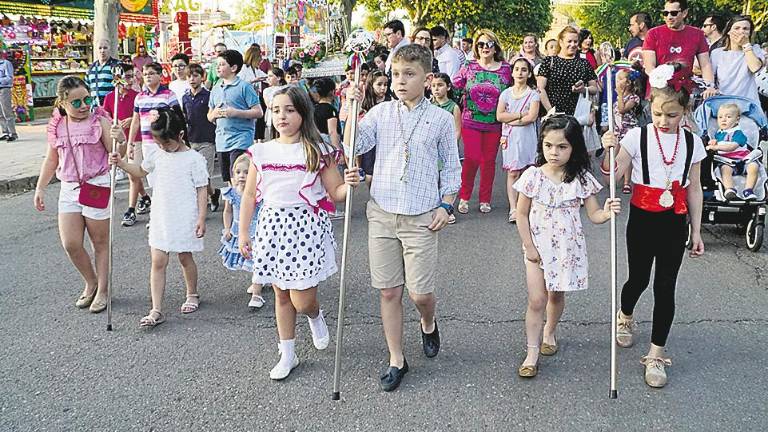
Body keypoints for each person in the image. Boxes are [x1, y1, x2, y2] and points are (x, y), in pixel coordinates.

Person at [344, 43, 461, 392]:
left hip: (422, 217)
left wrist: (446, 205)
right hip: (381, 213)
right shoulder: (380, 113)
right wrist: (351, 107)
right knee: (389, 292)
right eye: (395, 74)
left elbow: (451, 168)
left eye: (409, 74)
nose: (400, 80)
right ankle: (397, 358)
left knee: (419, 293)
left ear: (427, 78)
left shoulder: (440, 119)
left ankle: (428, 321)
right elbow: (354, 146)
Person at [238, 86, 359, 380]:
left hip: (305, 229)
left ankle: (314, 315)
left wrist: (350, 183)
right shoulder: (262, 151)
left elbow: (336, 192)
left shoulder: (317, 151)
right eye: (277, 110)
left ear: (303, 113)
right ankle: (288, 353)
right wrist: (243, 232)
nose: (282, 116)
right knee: (281, 295)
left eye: (290, 110)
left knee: (302, 300)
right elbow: (250, 194)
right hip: (272, 228)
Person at [601, 62, 706, 388]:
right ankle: (626, 314)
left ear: (684, 111)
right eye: (659, 113)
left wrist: (697, 231)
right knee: (638, 279)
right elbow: (613, 174)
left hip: (674, 221)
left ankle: (656, 354)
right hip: (642, 220)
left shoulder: (692, 143)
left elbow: (695, 187)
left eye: (672, 115)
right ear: (651, 108)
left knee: (665, 286)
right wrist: (611, 148)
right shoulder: (636, 137)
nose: (664, 120)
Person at [515, 115, 620, 377]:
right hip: (537, 248)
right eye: (549, 145)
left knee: (555, 296)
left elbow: (594, 215)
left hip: (565, 249)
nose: (554, 152)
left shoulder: (581, 178)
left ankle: (550, 330)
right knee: (536, 299)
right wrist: (528, 246)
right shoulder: (533, 176)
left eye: (562, 147)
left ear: (574, 147)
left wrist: (606, 213)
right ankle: (531, 352)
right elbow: (521, 213)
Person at [34, 76, 126, 314]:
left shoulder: (100, 122)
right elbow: (52, 158)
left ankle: (104, 289)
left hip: (97, 184)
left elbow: (117, 153)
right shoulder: (57, 125)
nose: (84, 105)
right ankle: (91, 281)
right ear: (63, 102)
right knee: (71, 243)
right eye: (77, 102)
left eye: (87, 99)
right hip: (69, 187)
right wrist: (40, 187)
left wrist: (121, 140)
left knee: (100, 242)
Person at [110, 108, 209, 327]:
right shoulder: (156, 154)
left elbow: (202, 189)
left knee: (185, 257)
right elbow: (140, 172)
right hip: (162, 214)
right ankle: (156, 309)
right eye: (159, 143)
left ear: (180, 135)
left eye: (167, 143)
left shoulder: (194, 159)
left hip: (184, 213)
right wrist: (122, 164)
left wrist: (201, 218)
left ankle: (192, 293)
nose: (163, 147)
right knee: (158, 260)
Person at [453, 29, 512, 214]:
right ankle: (464, 196)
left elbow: (515, 90)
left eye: (489, 44)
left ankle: (485, 199)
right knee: (471, 159)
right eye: (480, 44)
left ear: (495, 48)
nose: (485, 47)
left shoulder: (506, 69)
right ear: (476, 48)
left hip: (495, 123)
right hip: (470, 121)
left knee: (488, 161)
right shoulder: (469, 66)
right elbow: (453, 86)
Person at [122, 62, 181, 228]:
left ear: (160, 76)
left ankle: (164, 214)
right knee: (153, 180)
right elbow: (135, 121)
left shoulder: (168, 95)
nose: (147, 76)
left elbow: (178, 119)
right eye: (145, 73)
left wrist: (177, 142)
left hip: (164, 143)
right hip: (147, 143)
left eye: (151, 73)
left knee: (166, 179)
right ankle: (158, 213)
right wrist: (131, 143)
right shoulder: (140, 97)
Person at [207, 49, 263, 187]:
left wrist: (235, 113)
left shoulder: (244, 87)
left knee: (239, 176)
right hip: (221, 140)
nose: (218, 67)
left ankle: (242, 206)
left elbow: (258, 112)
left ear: (233, 68)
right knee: (228, 179)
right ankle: (233, 205)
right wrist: (214, 115)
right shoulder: (215, 88)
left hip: (241, 139)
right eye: (217, 64)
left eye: (222, 64)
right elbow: (209, 115)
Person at [642, 0, 717, 98]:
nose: (669, 17)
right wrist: (660, 83)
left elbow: (705, 64)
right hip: (658, 91)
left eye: (674, 13)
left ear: (684, 13)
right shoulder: (653, 33)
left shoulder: (697, 34)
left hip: (685, 92)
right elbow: (649, 66)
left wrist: (709, 86)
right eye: (665, 13)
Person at [496, 57, 540, 223]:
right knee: (513, 172)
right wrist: (520, 115)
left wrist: (511, 119)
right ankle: (513, 208)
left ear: (529, 73)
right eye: (517, 69)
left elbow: (532, 117)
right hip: (510, 137)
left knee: (528, 172)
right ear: (512, 72)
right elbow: (499, 116)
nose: (520, 73)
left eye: (524, 70)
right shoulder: (506, 93)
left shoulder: (533, 94)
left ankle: (526, 207)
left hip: (527, 137)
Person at [219, 153, 265, 308]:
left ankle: (257, 294)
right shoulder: (231, 192)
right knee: (249, 259)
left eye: (246, 172)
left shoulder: (258, 193)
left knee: (257, 260)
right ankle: (259, 280)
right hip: (239, 230)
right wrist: (227, 228)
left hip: (256, 230)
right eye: (238, 172)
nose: (242, 176)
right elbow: (228, 211)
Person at [182, 63, 220, 211]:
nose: (192, 79)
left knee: (204, 175)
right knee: (193, 175)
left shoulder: (208, 96)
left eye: (196, 75)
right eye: (189, 76)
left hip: (207, 140)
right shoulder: (185, 97)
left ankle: (203, 204)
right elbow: (184, 116)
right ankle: (213, 193)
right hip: (191, 140)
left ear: (202, 77)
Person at [537, 26, 599, 116]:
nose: (573, 44)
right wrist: (550, 111)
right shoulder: (549, 61)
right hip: (554, 116)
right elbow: (540, 88)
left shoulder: (584, 63)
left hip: (577, 115)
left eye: (575, 41)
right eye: (569, 41)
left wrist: (584, 89)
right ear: (561, 42)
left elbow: (594, 88)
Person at [706, 103, 760, 200]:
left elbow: (732, 146)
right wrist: (714, 142)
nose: (723, 119)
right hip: (727, 161)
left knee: (754, 167)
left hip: (743, 161)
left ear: (737, 119)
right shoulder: (719, 133)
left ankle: (748, 190)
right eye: (720, 117)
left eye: (728, 117)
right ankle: (729, 189)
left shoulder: (738, 133)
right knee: (725, 170)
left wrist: (716, 147)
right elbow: (719, 142)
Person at [710, 15, 765, 106]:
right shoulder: (717, 53)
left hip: (749, 104)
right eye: (737, 28)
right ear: (729, 31)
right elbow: (710, 78)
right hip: (724, 104)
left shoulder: (755, 50)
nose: (741, 31)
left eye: (745, 29)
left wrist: (746, 45)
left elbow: (755, 68)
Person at [103, 63, 139, 182]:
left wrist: (132, 119)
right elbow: (105, 116)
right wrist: (114, 121)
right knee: (130, 174)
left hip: (135, 139)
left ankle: (141, 196)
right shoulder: (110, 97)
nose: (131, 80)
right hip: (119, 140)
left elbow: (142, 116)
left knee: (134, 174)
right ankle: (143, 195)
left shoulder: (137, 96)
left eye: (132, 76)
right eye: (127, 77)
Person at [358, 70, 392, 183]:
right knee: (370, 174)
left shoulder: (390, 102)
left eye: (386, 84)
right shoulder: (365, 103)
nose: (383, 88)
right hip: (371, 144)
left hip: (387, 141)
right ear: (371, 85)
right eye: (379, 84)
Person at [85, 39, 120, 107]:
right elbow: (86, 89)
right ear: (96, 50)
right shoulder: (91, 68)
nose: (102, 51)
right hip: (94, 108)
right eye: (100, 48)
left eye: (105, 48)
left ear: (110, 49)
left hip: (111, 107)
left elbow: (121, 88)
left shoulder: (116, 65)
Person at [311, 77, 341, 150]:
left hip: (316, 144)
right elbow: (332, 131)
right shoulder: (330, 110)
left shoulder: (313, 109)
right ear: (332, 92)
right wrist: (337, 150)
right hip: (328, 146)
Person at [263, 67, 287, 141]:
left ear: (278, 77)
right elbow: (269, 105)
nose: (268, 78)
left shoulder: (286, 88)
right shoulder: (267, 90)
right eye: (267, 76)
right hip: (272, 115)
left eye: (271, 76)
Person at [0, 50, 18, 141]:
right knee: (0, 113)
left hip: (4, 89)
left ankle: (13, 133)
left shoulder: (6, 63)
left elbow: (9, 78)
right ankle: (5, 132)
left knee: (7, 111)